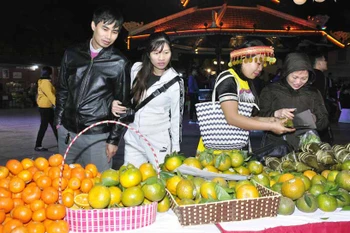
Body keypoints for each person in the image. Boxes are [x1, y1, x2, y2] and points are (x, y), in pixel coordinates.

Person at [54, 5, 131, 172]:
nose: (109, 36)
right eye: (105, 28)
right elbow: (62, 90)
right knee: (66, 186)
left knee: (98, 190)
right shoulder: (72, 53)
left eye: (114, 31)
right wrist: (58, 123)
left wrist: (113, 140)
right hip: (67, 133)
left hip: (98, 137)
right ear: (93, 25)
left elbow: (124, 107)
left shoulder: (119, 63)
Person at [197, 39, 295, 152]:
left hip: (237, 147)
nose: (260, 68)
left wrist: (273, 120)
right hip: (216, 150)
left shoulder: (247, 82)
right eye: (258, 63)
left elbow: (249, 117)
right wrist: (271, 126)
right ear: (244, 59)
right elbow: (232, 118)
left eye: (262, 64)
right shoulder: (228, 78)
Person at [111, 32, 184, 168]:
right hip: (134, 138)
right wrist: (113, 102)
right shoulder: (136, 70)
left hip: (158, 141)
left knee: (161, 182)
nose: (161, 58)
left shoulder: (174, 82)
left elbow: (176, 118)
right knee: (131, 182)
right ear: (148, 53)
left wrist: (175, 150)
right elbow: (123, 94)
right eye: (156, 53)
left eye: (166, 52)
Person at [259, 52, 329, 150]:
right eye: (294, 77)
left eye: (304, 78)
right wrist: (275, 113)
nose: (298, 82)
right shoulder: (270, 90)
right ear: (286, 73)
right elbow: (257, 117)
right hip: (277, 147)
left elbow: (325, 121)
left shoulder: (313, 93)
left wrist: (315, 119)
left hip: (306, 147)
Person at [310, 52, 334, 144]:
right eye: (324, 60)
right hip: (318, 112)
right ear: (319, 63)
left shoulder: (311, 74)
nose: (326, 62)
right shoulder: (319, 75)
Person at [35, 66, 58, 151]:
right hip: (45, 107)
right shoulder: (45, 82)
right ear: (49, 73)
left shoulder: (44, 82)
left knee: (54, 125)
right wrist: (57, 104)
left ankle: (61, 143)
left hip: (46, 106)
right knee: (44, 126)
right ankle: (38, 145)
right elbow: (50, 94)